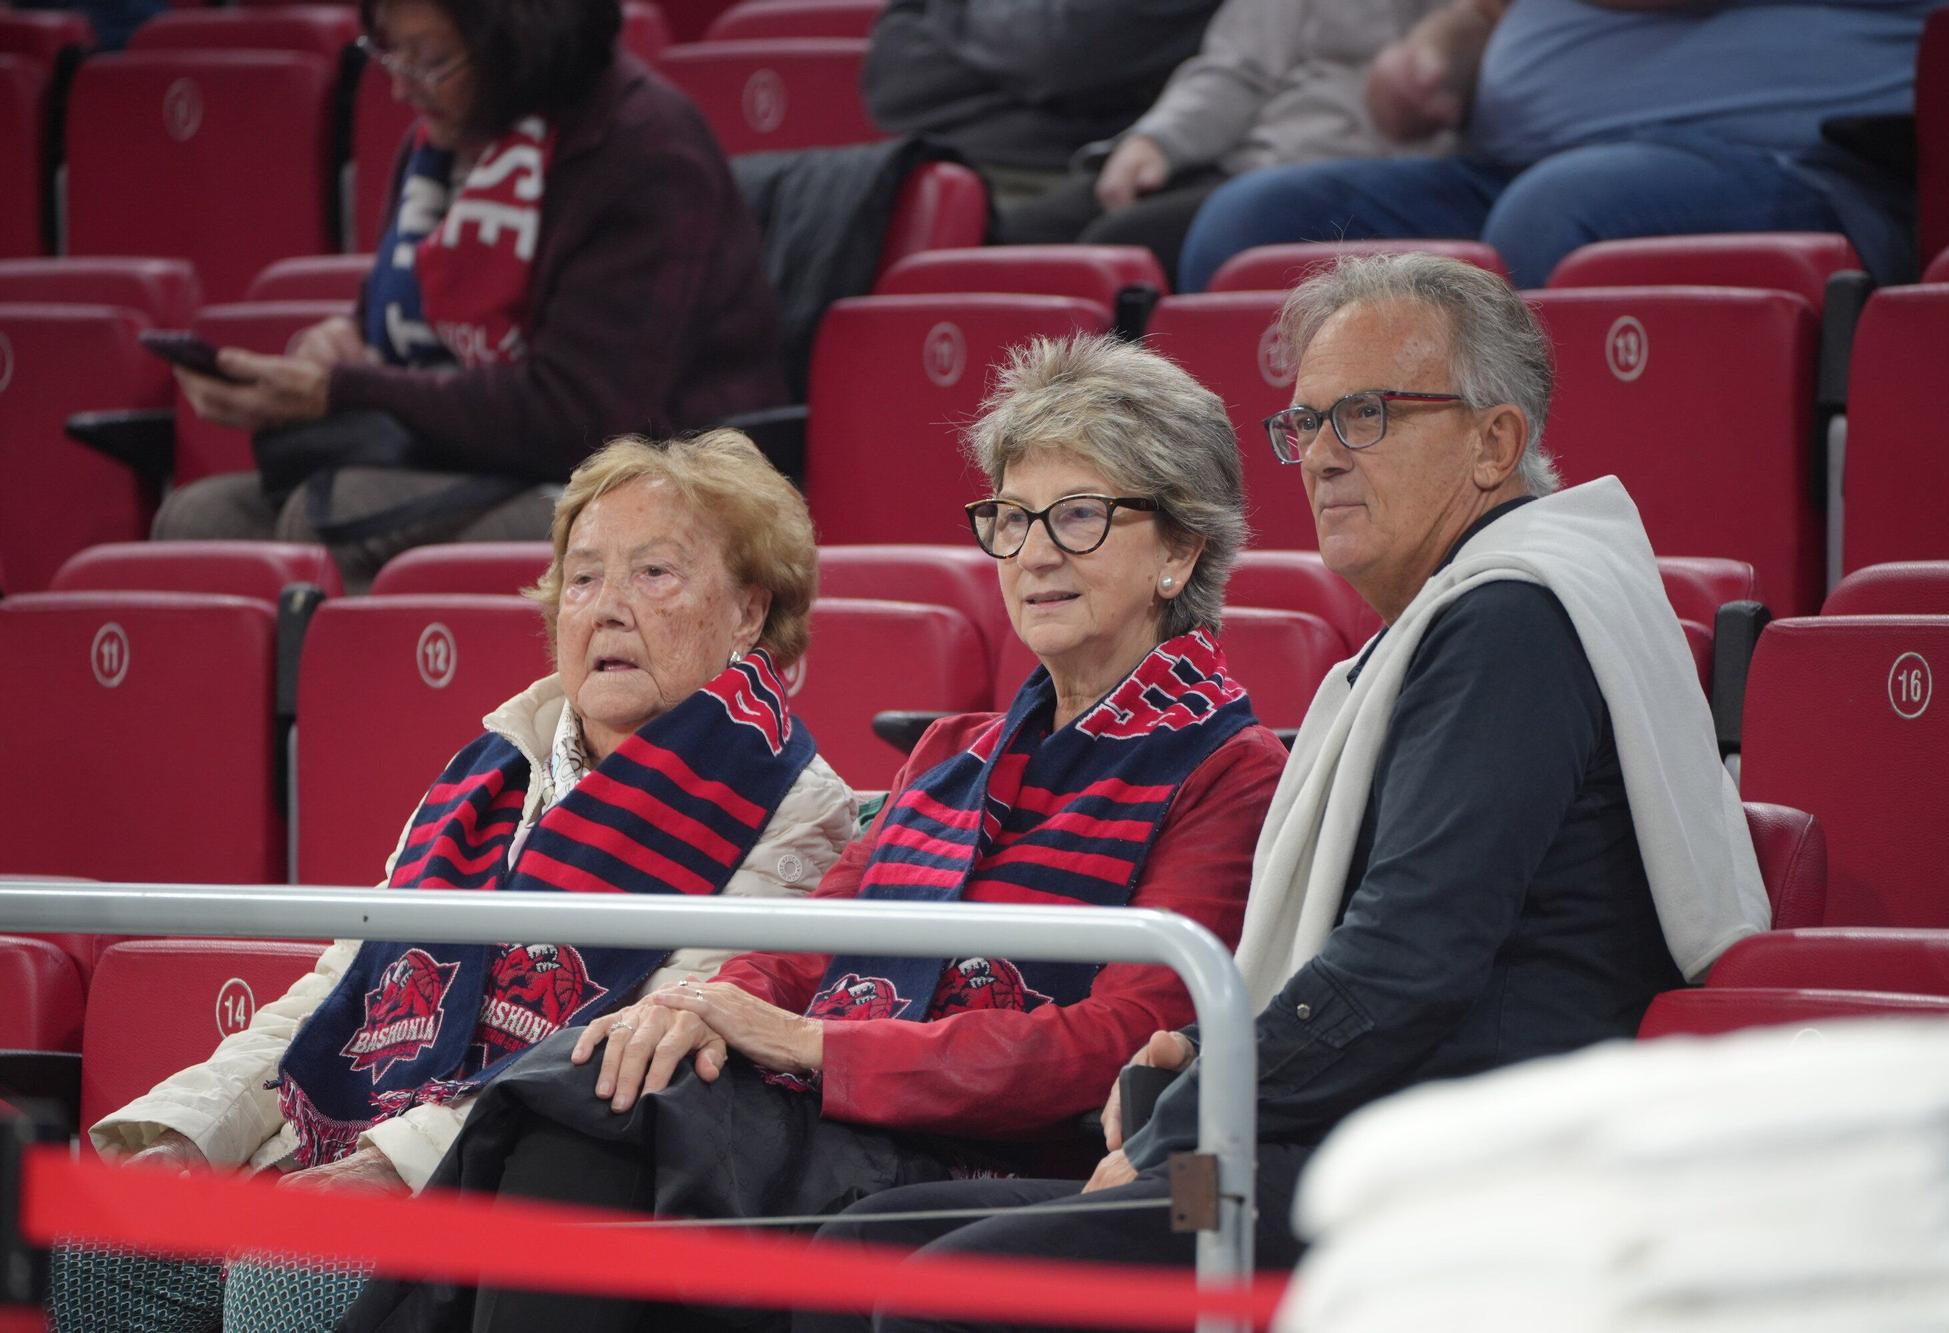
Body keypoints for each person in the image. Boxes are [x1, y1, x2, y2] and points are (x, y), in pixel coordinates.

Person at [801, 253, 1773, 1330]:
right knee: (866, 1243)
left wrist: (1182, 1130)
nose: (1319, 457)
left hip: (1436, 1177)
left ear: (1494, 442)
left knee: (949, 1287)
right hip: (1335, 1143)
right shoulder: (1459, 620)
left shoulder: (1508, 624)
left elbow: (1402, 972)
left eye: (1363, 417)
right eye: (1304, 425)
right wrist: (1206, 1070)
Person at [339, 333, 1291, 1332]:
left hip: (993, 1154)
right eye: (1009, 519)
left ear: (1179, 549)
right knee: (586, 1088)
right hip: (842, 1117)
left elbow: (1119, 1043)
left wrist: (813, 1043)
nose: (1034, 551)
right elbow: (805, 944)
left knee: (583, 1115)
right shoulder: (949, 751)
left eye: (1080, 516)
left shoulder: (1226, 771)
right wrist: (711, 1004)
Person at [48, 432, 857, 1333]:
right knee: (114, 1237)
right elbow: (337, 990)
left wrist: (395, 1167)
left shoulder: (796, 803)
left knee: (300, 1267)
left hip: (551, 1186)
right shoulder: (488, 775)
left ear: (749, 611)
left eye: (655, 573)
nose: (609, 608)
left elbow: (640, 1049)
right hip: (367, 1137)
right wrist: (189, 1134)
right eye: (584, 578)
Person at [154, 0, 787, 590]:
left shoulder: (643, 150)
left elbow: (578, 420)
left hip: (649, 484)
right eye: (389, 54)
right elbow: (397, 322)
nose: (400, 87)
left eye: (429, 61)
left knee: (335, 514)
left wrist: (344, 389)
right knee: (197, 518)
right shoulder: (441, 145)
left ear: (516, 42)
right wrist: (339, 346)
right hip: (468, 457)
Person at [1177, 0, 1948, 291]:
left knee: (1554, 214)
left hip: (1803, 169)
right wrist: (1443, 44)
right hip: (1517, 168)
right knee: (1248, 224)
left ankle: (1516, 545)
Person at [995, 0, 1450, 284]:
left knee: (1118, 246)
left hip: (1336, 177)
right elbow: (1236, 68)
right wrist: (1158, 140)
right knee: (1018, 239)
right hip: (1238, 158)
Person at [861, 0, 1221, 204]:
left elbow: (1065, 56)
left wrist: (954, 12)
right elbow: (894, 83)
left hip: (1068, 175)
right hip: (940, 161)